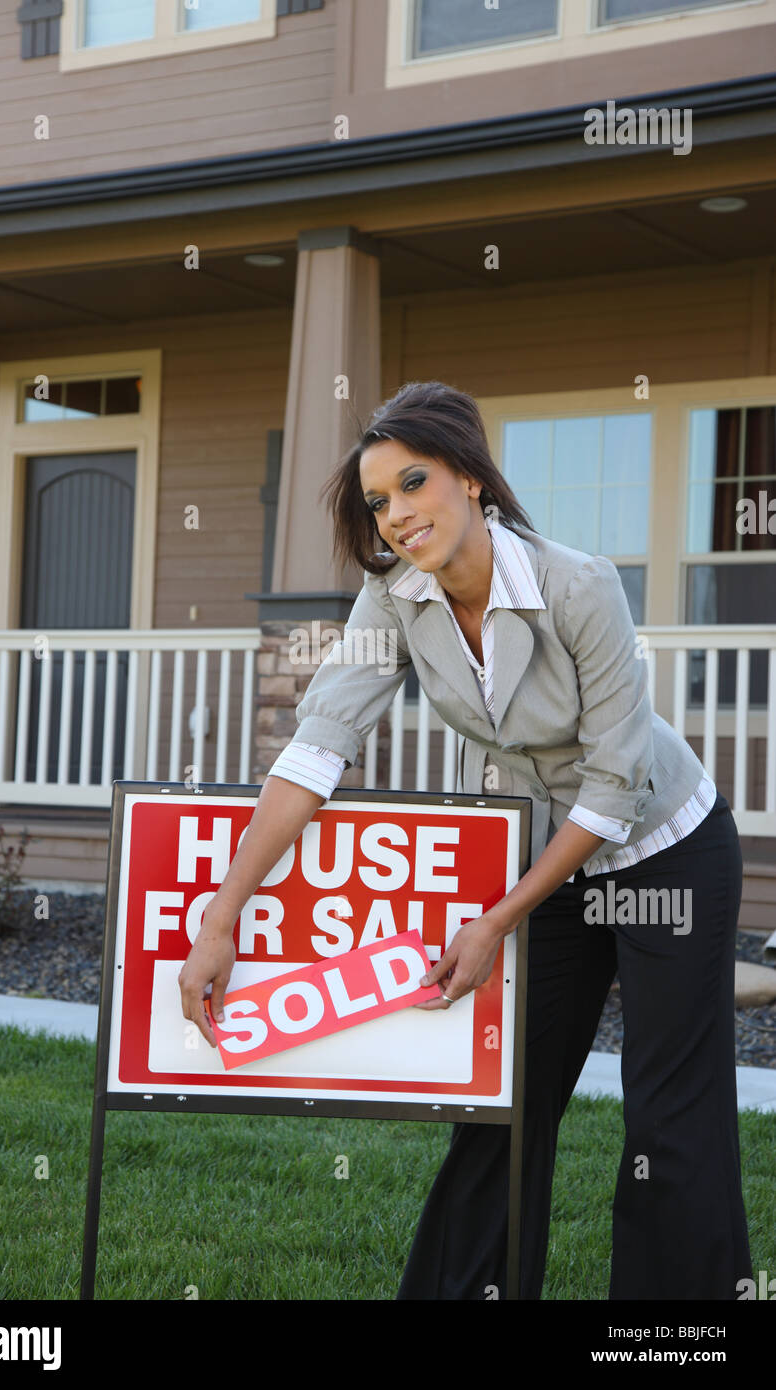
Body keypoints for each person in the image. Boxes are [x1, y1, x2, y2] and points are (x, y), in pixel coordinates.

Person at [179, 380, 753, 1301]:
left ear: (473, 481)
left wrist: (495, 921)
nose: (398, 515)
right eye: (379, 501)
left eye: (415, 483)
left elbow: (613, 788)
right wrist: (223, 911)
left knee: (668, 1113)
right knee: (504, 1101)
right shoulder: (395, 600)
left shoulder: (579, 585)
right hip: (552, 862)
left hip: (666, 850)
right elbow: (317, 748)